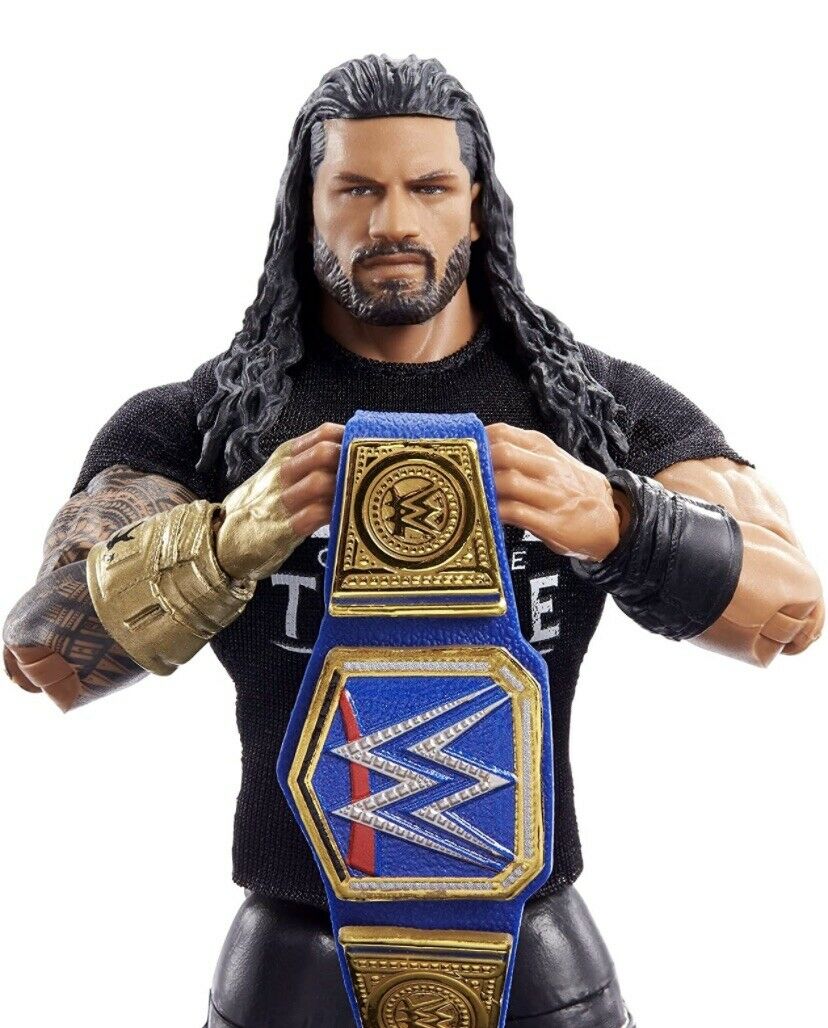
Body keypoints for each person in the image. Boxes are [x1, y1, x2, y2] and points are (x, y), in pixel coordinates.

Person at [3, 55, 822, 1028]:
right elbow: (49, 654)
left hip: (538, 956)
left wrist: (619, 521)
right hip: (293, 961)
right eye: (357, 188)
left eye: (428, 187)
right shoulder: (212, 422)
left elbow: (790, 608)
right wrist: (225, 541)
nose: (393, 221)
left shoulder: (590, 408)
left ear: (476, 208)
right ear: (306, 209)